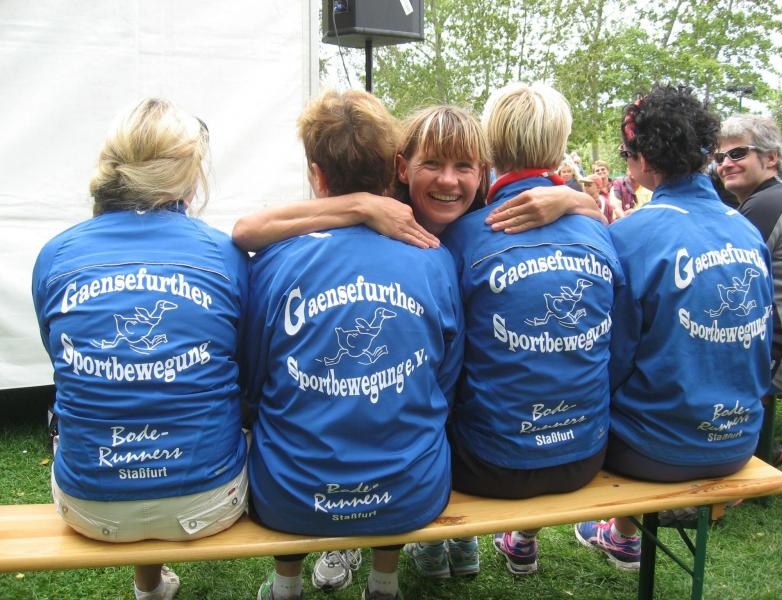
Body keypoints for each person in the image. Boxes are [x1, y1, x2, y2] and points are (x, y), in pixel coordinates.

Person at [244, 90, 465, 600]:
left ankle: (285, 585)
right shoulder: (433, 256)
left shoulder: (272, 261)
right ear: (393, 168)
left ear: (316, 175)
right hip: (409, 493)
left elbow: (254, 381)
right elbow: (444, 379)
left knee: (283, 422)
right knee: (405, 419)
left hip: (292, 495)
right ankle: (384, 583)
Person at [31, 98, 249, 600]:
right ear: (188, 175)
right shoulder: (224, 253)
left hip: (91, 507)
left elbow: (62, 359)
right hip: (208, 502)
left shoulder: (56, 254)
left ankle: (149, 588)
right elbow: (242, 364)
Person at [575, 86, 773, 571]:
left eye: (626, 154)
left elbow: (609, 361)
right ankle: (622, 536)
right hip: (738, 440)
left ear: (642, 160)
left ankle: (527, 537)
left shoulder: (629, 235)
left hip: (652, 450)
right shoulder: (746, 230)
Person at [440, 82, 622, 577]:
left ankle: (445, 546)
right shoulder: (598, 230)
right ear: (560, 149)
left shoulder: (463, 236)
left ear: (490, 149)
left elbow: (445, 364)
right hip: (583, 455)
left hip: (488, 464)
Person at [717, 116, 782, 394]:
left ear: (771, 157)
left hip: (781, 350)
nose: (726, 164)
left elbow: (722, 277)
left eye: (738, 153)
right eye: (721, 157)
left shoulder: (767, 203)